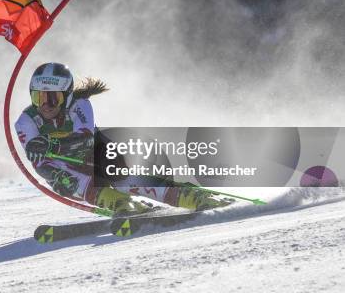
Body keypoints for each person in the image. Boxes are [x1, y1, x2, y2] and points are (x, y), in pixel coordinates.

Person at [15, 62, 232, 215]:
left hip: (94, 153)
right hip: (67, 169)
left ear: (68, 95)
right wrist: (41, 155)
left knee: (125, 178)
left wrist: (51, 143)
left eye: (53, 98)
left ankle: (190, 196)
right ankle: (116, 202)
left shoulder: (80, 105)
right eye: (38, 97)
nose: (45, 105)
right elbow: (41, 164)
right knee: (64, 180)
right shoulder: (26, 121)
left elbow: (86, 140)